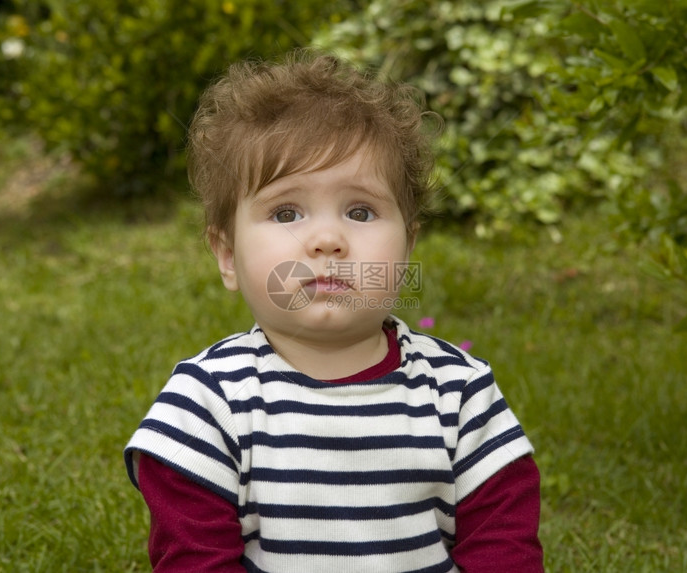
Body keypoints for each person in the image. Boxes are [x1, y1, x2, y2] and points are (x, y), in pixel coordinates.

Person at [124, 49, 543, 573]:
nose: (327, 240)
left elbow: (504, 550)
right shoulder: (207, 405)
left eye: (360, 211)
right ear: (228, 256)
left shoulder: (461, 394)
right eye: (286, 211)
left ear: (407, 247)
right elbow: (195, 562)